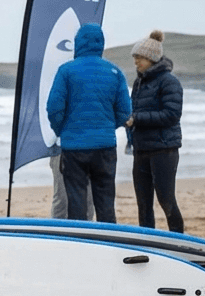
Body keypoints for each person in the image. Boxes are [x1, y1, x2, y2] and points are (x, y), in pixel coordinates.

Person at [46, 22, 131, 223]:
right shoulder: (115, 71)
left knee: (76, 201)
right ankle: (109, 243)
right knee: (105, 202)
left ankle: (81, 244)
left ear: (78, 43)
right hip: (105, 146)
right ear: (101, 44)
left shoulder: (66, 71)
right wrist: (109, 126)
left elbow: (54, 108)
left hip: (74, 147)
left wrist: (62, 130)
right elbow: (125, 111)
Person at [126, 29, 184, 232]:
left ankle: (179, 241)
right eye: (135, 58)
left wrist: (136, 119)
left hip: (164, 149)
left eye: (140, 58)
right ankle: (148, 243)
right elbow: (133, 110)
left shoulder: (169, 82)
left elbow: (172, 114)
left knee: (166, 200)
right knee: (143, 203)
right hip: (141, 149)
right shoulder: (139, 82)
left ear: (152, 58)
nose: (136, 62)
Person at [49, 146, 92, 220]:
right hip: (61, 150)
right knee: (62, 201)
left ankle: (84, 229)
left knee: (87, 201)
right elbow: (49, 140)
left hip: (88, 147)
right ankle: (57, 229)